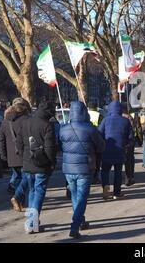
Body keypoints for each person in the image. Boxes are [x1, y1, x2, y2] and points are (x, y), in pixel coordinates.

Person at [60, 101, 105, 239]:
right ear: (84, 112)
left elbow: (60, 145)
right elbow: (101, 147)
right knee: (81, 199)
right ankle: (75, 226)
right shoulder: (90, 129)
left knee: (75, 196)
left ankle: (81, 221)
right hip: (85, 167)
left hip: (68, 168)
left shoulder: (63, 128)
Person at [17, 101, 57, 234]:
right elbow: (50, 149)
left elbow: (20, 144)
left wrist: (25, 159)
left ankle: (31, 221)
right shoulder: (47, 125)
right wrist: (51, 164)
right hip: (42, 164)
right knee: (38, 192)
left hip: (28, 164)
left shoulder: (25, 122)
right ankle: (31, 223)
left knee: (33, 192)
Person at [0, 97, 31, 212]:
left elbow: (0, 139)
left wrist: (3, 155)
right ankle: (17, 198)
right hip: (25, 154)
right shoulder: (27, 120)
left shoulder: (5, 121)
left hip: (11, 156)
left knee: (18, 177)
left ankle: (20, 202)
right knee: (26, 177)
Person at [98, 101, 133, 200]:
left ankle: (105, 187)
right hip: (120, 150)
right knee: (118, 172)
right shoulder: (125, 121)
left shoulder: (105, 120)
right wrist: (126, 145)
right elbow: (130, 137)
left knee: (105, 171)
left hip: (107, 149)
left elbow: (99, 134)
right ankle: (116, 193)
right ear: (120, 109)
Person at [122, 105, 136, 187]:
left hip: (120, 142)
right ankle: (129, 177)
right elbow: (133, 129)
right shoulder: (129, 118)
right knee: (129, 160)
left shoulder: (119, 117)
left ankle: (127, 177)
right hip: (129, 142)